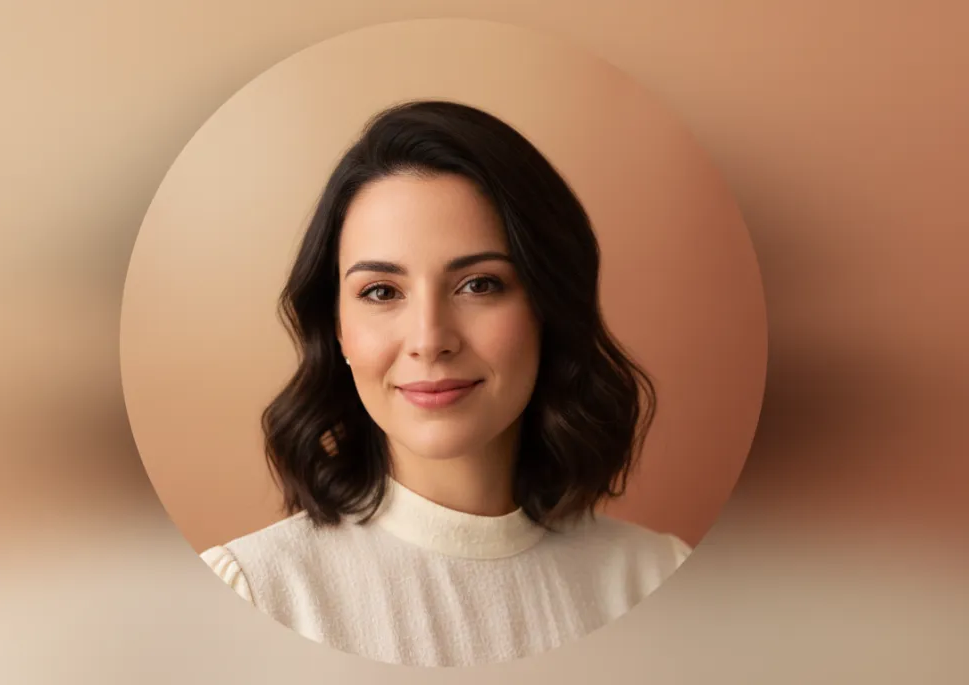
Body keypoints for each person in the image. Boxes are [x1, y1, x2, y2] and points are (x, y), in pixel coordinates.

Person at [200, 99, 691, 668]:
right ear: (336, 328)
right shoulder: (257, 595)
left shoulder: (658, 580)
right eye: (382, 292)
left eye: (479, 284)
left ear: (547, 307)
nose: (429, 339)